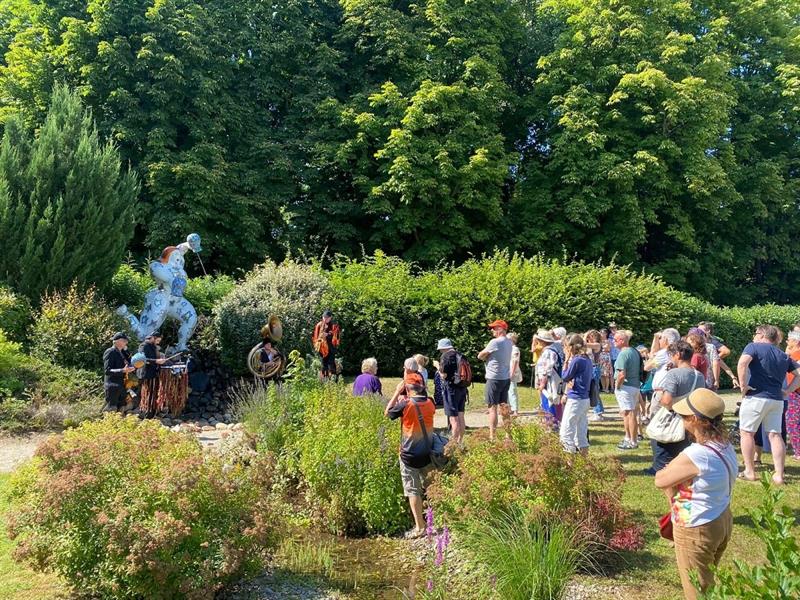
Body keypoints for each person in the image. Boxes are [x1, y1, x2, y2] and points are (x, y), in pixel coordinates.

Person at [654, 389, 737, 600]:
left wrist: (668, 470)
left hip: (698, 527)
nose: (681, 419)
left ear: (694, 419)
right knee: (707, 582)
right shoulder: (725, 446)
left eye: (683, 416)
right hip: (721, 518)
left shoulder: (697, 454)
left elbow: (660, 480)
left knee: (697, 591)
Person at [737, 325, 800, 484]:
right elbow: (799, 373)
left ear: (762, 335)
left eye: (756, 333)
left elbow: (743, 363)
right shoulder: (783, 354)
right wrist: (787, 390)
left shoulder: (753, 347)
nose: (754, 336)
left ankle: (750, 471)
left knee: (747, 433)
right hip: (776, 400)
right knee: (775, 435)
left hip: (756, 397)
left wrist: (743, 386)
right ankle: (779, 475)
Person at [385, 381, 436, 539]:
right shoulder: (430, 402)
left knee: (413, 490)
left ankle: (420, 527)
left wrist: (396, 392)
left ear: (407, 390)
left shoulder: (405, 405)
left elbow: (387, 413)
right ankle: (436, 519)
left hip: (408, 455)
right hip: (427, 452)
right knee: (431, 487)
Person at [646, 340, 705, 474]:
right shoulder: (699, 375)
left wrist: (660, 400)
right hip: (691, 416)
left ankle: (659, 468)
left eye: (671, 355)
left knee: (662, 440)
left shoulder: (674, 374)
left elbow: (667, 401)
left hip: (674, 414)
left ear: (677, 355)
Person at [478, 320, 513, 441]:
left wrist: (486, 356)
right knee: (504, 407)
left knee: (492, 408)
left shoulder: (495, 342)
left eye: (494, 328)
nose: (491, 330)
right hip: (505, 378)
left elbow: (480, 355)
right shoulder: (509, 342)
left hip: (494, 378)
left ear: (501, 329)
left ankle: (493, 436)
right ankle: (508, 435)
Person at [560, 333, 592, 454]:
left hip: (576, 399)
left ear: (571, 346)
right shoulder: (586, 358)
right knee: (581, 433)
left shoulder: (577, 360)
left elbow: (565, 376)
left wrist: (567, 359)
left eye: (565, 346)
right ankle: (584, 464)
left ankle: (570, 465)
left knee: (566, 433)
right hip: (584, 399)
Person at [614, 330, 641, 449]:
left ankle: (632, 441)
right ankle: (628, 437)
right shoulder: (634, 351)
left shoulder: (623, 353)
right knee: (628, 413)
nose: (613, 342)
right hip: (635, 385)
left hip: (626, 386)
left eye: (615, 340)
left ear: (622, 340)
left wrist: (618, 386)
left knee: (629, 415)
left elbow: (621, 374)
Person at [645, 328, 681, 418]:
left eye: (660, 338)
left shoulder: (663, 353)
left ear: (666, 340)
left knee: (655, 419)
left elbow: (647, 367)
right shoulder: (677, 352)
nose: (659, 341)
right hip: (672, 391)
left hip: (661, 392)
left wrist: (651, 355)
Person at [437, 338, 467, 445]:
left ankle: (452, 445)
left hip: (451, 389)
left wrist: (437, 366)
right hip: (462, 388)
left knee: (453, 418)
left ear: (443, 348)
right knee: (461, 416)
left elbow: (443, 375)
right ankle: (460, 442)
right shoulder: (461, 355)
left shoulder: (446, 356)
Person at [534, 328, 563, 429]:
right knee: (553, 402)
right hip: (552, 381)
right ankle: (554, 424)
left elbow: (546, 369)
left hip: (549, 383)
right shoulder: (551, 350)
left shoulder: (548, 352)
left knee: (549, 403)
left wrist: (542, 383)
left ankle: (552, 425)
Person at [698, 322, 739, 389]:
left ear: (708, 331)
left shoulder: (711, 343)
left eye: (700, 330)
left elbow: (725, 353)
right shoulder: (700, 345)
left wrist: (713, 359)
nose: (698, 332)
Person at [103, 332, 135, 412]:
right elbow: (107, 370)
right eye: (124, 341)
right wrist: (122, 370)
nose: (126, 342)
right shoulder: (110, 351)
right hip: (112, 385)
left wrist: (126, 350)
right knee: (112, 410)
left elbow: (130, 360)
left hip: (122, 385)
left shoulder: (123, 352)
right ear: (117, 341)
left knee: (122, 409)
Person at [138, 331, 167, 417]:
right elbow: (143, 358)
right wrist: (156, 361)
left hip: (153, 372)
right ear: (152, 338)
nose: (158, 342)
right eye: (157, 340)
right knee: (148, 393)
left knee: (153, 393)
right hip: (146, 373)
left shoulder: (153, 347)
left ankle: (152, 413)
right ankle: (147, 414)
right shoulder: (143, 346)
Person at [312, 310, 341, 380]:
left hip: (331, 348)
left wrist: (327, 335)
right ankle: (325, 379)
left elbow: (336, 337)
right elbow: (315, 337)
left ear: (330, 318)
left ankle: (334, 379)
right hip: (322, 349)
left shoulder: (334, 325)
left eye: (327, 317)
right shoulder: (319, 325)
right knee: (324, 364)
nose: (325, 319)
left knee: (331, 364)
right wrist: (320, 339)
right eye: (324, 317)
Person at [585, 329, 606, 420]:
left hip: (594, 368)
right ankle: (596, 411)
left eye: (591, 336)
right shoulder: (591, 346)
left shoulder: (597, 345)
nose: (588, 338)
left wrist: (585, 335)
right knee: (592, 390)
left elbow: (583, 343)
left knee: (594, 390)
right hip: (590, 368)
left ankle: (598, 412)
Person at [786, 331, 800, 460]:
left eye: (789, 339)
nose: (786, 341)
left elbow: (795, 378)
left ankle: (798, 451)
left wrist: (788, 390)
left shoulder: (794, 357)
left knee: (792, 423)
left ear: (796, 342)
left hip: (795, 394)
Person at [507, 332, 523, 417]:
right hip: (507, 372)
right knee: (507, 391)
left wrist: (512, 373)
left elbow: (515, 361)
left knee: (512, 390)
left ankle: (515, 410)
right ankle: (509, 408)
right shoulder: (508, 349)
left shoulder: (515, 349)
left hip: (512, 372)